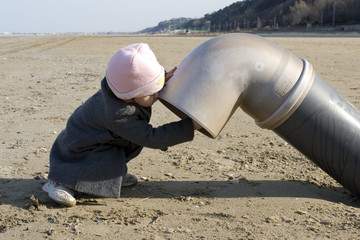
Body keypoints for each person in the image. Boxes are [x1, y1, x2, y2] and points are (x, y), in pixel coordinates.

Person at [42, 43, 201, 207]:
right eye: (151, 92)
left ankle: (112, 173)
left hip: (100, 140)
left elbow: (138, 81)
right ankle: (60, 183)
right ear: (130, 97)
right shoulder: (117, 114)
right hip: (77, 152)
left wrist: (161, 78)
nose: (157, 93)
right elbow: (152, 137)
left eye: (158, 86)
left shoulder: (118, 89)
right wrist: (190, 126)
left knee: (128, 141)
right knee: (132, 139)